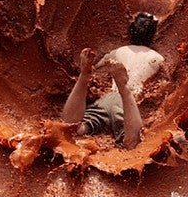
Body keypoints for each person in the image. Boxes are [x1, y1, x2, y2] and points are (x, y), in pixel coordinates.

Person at [61, 12, 164, 150]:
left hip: (108, 99)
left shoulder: (118, 51)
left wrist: (88, 70)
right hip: (128, 106)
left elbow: (96, 67)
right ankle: (124, 89)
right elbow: (166, 83)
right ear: (153, 35)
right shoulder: (157, 59)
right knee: (133, 143)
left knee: (74, 129)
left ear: (131, 31)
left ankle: (83, 78)